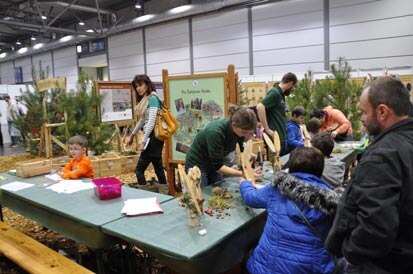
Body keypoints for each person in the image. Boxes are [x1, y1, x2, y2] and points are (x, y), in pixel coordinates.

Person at [325, 77, 413, 273]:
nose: (363, 118)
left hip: (379, 264)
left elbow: (377, 227)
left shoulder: (382, 156)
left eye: (365, 112)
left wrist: (350, 254)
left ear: (382, 111)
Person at [240, 147, 336, 274]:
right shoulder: (332, 200)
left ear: (291, 166)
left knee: (247, 254)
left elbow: (251, 198)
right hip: (314, 269)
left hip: (266, 269)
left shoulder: (278, 188)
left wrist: (244, 184)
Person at [185, 106, 257, 187]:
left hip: (213, 163)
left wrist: (248, 155)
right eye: (244, 132)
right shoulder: (215, 133)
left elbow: (242, 150)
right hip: (198, 163)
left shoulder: (239, 132)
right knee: (202, 193)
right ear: (234, 125)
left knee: (219, 189)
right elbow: (218, 167)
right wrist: (243, 173)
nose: (247, 135)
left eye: (250, 132)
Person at [126, 74, 167, 185]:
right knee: (158, 167)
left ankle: (144, 193)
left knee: (139, 170)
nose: (138, 88)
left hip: (153, 139)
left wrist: (143, 141)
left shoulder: (153, 98)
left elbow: (151, 122)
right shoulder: (146, 99)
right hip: (154, 139)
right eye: (136, 86)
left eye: (140, 85)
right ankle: (165, 189)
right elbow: (143, 120)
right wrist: (132, 135)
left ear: (147, 84)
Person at [256, 72, 298, 155]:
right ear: (290, 83)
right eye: (294, 87)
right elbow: (260, 107)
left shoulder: (280, 94)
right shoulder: (275, 93)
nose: (293, 89)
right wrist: (267, 129)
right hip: (275, 137)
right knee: (275, 164)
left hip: (281, 136)